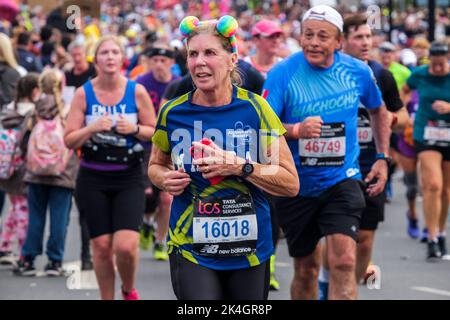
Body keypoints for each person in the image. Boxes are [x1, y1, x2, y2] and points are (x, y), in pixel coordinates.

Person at [149, 15, 299, 300]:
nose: (199, 62)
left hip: (249, 247)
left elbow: (289, 182)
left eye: (210, 53)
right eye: (193, 54)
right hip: (190, 244)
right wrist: (164, 179)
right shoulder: (172, 112)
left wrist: (240, 166)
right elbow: (156, 166)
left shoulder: (257, 109)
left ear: (232, 60)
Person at [263, 5, 391, 300]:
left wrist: (383, 158)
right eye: (308, 35)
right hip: (295, 184)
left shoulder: (357, 71)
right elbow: (263, 126)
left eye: (323, 36)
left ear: (338, 42)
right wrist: (296, 130)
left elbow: (378, 111)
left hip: (341, 178)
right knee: (306, 268)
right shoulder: (283, 73)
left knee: (345, 261)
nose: (314, 42)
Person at [315, 14, 408, 296]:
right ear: (342, 41)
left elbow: (402, 117)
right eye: (359, 37)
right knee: (335, 239)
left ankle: (347, 288)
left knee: (365, 240)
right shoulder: (327, 75)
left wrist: (384, 118)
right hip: (335, 167)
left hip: (370, 166)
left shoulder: (381, 74)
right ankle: (327, 281)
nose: (366, 42)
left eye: (369, 36)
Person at [64, 35, 156, 300]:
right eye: (104, 52)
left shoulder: (135, 91)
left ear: (122, 58)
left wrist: (135, 129)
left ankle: (128, 290)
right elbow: (69, 138)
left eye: (115, 52)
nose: (110, 57)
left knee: (125, 246)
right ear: (96, 59)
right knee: (102, 247)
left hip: (129, 177)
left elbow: (154, 132)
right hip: (92, 178)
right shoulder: (84, 93)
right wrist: (92, 128)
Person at [14, 69, 78, 277]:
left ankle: (29, 259)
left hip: (35, 173)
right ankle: (55, 261)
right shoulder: (68, 111)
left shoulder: (35, 111)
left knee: (36, 217)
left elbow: (22, 141)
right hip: (63, 173)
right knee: (59, 218)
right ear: (61, 86)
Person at [402, 41, 450, 260]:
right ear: (429, 60)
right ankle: (431, 238)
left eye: (442, 65)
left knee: (446, 190)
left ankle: (441, 233)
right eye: (435, 65)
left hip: (448, 134)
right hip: (426, 133)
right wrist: (403, 111)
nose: (438, 69)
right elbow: (404, 90)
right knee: (433, 185)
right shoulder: (419, 74)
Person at [136, 44, 180, 261]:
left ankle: (160, 241)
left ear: (172, 63)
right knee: (147, 197)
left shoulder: (178, 85)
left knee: (166, 198)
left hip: (171, 148)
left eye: (164, 61)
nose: (159, 64)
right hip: (144, 147)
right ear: (149, 62)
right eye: (155, 60)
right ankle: (146, 221)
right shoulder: (141, 83)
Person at [0, 74, 39, 266]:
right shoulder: (32, 112)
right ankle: (23, 250)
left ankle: (5, 244)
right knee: (23, 210)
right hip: (24, 166)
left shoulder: (8, 109)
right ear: (34, 91)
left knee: (15, 207)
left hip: (6, 166)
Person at [64, 40, 96, 271]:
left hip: (99, 145)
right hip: (76, 142)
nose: (76, 59)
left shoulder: (95, 72)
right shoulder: (67, 75)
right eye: (73, 55)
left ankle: (99, 250)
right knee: (84, 206)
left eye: (79, 54)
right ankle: (86, 253)